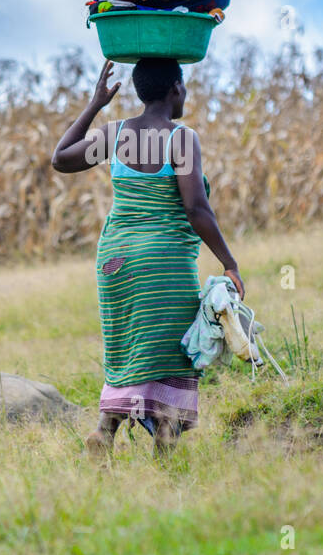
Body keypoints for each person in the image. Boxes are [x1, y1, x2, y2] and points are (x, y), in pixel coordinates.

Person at [52, 59, 244, 457]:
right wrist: (230, 263)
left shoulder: (116, 134)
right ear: (176, 89)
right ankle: (165, 442)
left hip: (116, 260)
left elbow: (62, 158)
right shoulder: (181, 138)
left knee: (128, 348)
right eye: (184, 87)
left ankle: (105, 432)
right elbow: (196, 208)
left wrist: (95, 105)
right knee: (173, 350)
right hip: (162, 260)